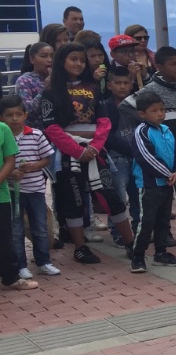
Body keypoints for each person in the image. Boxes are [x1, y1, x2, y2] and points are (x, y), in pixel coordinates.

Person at [37, 43, 137, 265]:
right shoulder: (51, 91)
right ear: (62, 61)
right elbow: (51, 128)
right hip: (68, 155)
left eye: (81, 60)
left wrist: (95, 147)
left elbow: (103, 121)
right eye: (74, 59)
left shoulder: (93, 88)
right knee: (73, 201)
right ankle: (80, 248)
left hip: (95, 152)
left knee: (112, 196)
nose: (79, 63)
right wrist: (77, 150)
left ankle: (131, 243)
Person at [126, 47, 176, 243]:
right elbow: (126, 106)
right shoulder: (150, 89)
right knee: (165, 189)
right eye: (173, 64)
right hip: (161, 147)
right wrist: (146, 127)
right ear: (159, 67)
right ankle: (164, 231)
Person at [129, 90, 176, 274]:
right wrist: (167, 174)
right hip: (150, 184)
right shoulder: (141, 132)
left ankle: (161, 252)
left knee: (163, 219)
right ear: (142, 114)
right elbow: (146, 158)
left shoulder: (166, 130)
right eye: (154, 111)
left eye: (162, 109)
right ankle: (137, 255)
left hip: (167, 183)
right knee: (147, 221)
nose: (160, 114)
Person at [3, 95, 56, 281]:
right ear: (2, 117)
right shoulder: (3, 136)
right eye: (9, 115)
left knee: (40, 227)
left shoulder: (36, 134)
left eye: (18, 114)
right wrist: (11, 173)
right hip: (12, 192)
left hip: (35, 190)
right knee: (16, 230)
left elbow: (47, 158)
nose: (15, 118)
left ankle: (43, 262)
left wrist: (34, 166)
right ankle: (21, 266)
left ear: (25, 115)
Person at [100, 66, 143, 239]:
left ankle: (138, 229)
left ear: (132, 84)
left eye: (126, 83)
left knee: (137, 194)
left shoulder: (137, 105)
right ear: (109, 85)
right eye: (118, 83)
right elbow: (107, 135)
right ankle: (118, 232)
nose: (122, 87)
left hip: (138, 158)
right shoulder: (104, 106)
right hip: (116, 157)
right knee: (118, 195)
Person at [0, 112, 34, 291]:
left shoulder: (3, 129)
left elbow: (9, 161)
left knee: (4, 237)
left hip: (1, 195)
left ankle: (10, 277)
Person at [15, 42, 53, 117]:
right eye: (44, 56)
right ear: (32, 59)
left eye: (52, 56)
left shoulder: (59, 78)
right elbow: (28, 111)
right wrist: (45, 88)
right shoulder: (24, 80)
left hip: (57, 126)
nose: (49, 60)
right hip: (35, 127)